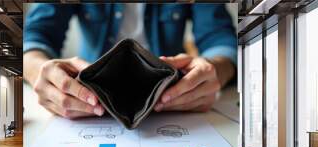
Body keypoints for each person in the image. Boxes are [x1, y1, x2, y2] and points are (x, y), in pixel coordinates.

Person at [23, 3, 237, 119]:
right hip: (87, 98)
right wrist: (38, 71)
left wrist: (215, 70)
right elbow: (37, 35)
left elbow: (219, 38)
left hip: (174, 98)